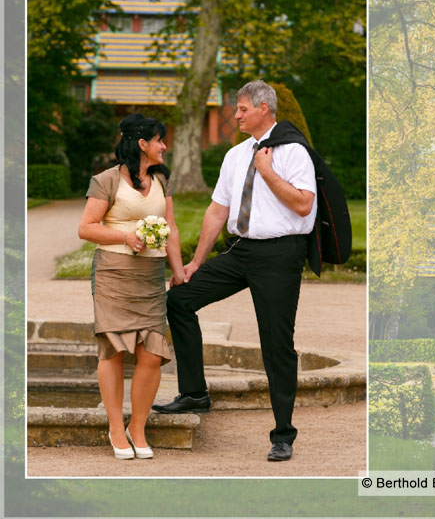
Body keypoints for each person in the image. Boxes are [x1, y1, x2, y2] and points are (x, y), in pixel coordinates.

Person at [152, 79, 317, 462]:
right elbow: (217, 211)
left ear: (264, 109)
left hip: (280, 255)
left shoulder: (293, 152)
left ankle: (282, 436)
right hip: (240, 251)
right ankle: (194, 393)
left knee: (276, 345)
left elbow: (304, 206)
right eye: (237, 108)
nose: (236, 114)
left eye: (242, 109)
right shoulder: (235, 155)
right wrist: (195, 262)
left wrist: (268, 171)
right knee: (179, 298)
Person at [78, 113, 184, 460]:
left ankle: (137, 427)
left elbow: (171, 225)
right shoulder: (105, 180)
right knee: (114, 351)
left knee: (152, 354)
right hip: (113, 274)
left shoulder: (162, 180)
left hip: (150, 277)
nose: (164, 146)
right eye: (159, 140)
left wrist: (178, 269)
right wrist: (126, 235)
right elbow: (87, 228)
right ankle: (114, 427)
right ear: (143, 144)